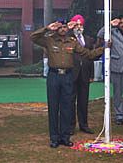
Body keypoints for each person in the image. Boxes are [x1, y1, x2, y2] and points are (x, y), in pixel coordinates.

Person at [30, 19, 104, 148]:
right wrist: (47, 28)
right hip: (54, 76)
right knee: (53, 107)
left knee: (67, 107)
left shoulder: (72, 42)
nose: (63, 29)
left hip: (68, 77)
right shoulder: (49, 40)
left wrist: (104, 48)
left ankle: (65, 137)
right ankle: (54, 138)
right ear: (56, 28)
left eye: (65, 27)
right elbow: (33, 37)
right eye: (60, 27)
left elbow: (88, 54)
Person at [69, 14, 96, 135]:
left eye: (81, 25)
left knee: (83, 101)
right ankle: (70, 126)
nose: (79, 27)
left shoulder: (88, 39)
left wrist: (92, 75)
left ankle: (84, 125)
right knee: (70, 101)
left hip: (85, 74)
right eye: (76, 25)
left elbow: (91, 57)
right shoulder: (67, 38)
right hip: (71, 74)